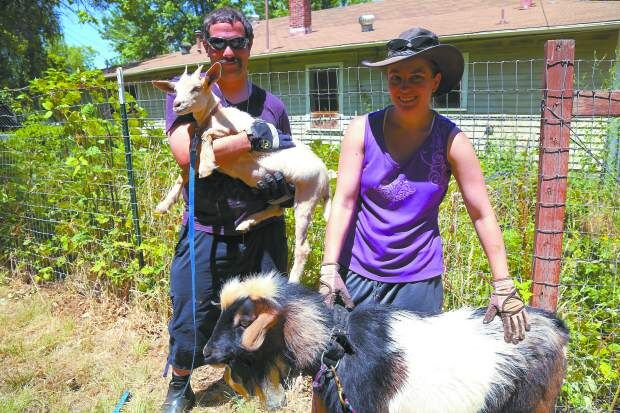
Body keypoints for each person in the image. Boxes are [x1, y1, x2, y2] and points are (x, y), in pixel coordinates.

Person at [319, 28, 529, 343]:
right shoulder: (361, 131)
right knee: (341, 367)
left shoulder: (451, 140)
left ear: (435, 81)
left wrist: (503, 284)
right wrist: (328, 268)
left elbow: (481, 212)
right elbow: (344, 202)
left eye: (416, 77)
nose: (405, 88)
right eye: (395, 78)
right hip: (355, 275)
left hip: (417, 282)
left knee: (413, 377)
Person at [161, 7, 294, 413]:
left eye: (237, 42)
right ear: (205, 47)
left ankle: (257, 376)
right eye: (218, 42)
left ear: (249, 47)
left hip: (263, 226)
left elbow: (289, 159)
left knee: (265, 312)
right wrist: (253, 139)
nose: (228, 50)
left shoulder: (272, 105)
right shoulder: (189, 94)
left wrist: (286, 192)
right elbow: (188, 156)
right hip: (207, 228)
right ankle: (181, 384)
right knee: (192, 310)